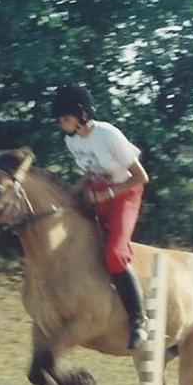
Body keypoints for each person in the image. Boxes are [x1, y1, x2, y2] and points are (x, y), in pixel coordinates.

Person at [51, 85, 151, 349]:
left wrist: (108, 194)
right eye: (61, 120)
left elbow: (141, 177)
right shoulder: (71, 140)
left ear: (82, 114)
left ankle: (138, 321)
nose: (62, 124)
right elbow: (90, 171)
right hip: (95, 192)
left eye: (65, 118)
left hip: (125, 194)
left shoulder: (108, 135)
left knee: (115, 255)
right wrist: (74, 191)